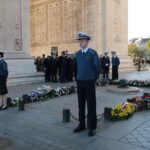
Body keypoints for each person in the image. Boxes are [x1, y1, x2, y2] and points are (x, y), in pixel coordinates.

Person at [73, 32, 101, 137]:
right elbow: (77, 68)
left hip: (89, 81)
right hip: (80, 81)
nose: (81, 42)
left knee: (91, 105)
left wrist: (93, 78)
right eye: (80, 41)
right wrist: (77, 78)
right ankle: (81, 125)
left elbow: (97, 67)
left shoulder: (92, 53)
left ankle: (92, 127)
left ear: (87, 42)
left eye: (83, 41)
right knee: (81, 105)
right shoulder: (78, 54)